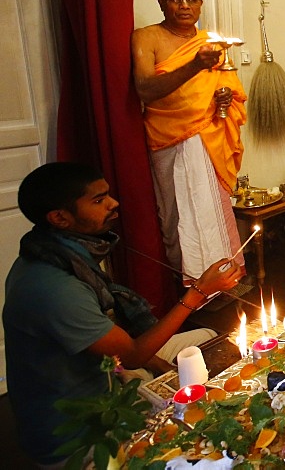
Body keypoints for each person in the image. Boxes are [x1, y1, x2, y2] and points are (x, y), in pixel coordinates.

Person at [3, 162, 240, 468]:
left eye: (108, 195)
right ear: (59, 217)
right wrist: (198, 293)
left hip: (108, 370)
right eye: (99, 200)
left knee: (205, 341)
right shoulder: (55, 288)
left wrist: (162, 368)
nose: (114, 204)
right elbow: (133, 356)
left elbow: (128, 351)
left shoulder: (61, 252)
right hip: (80, 431)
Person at [131, 0, 247, 282]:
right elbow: (144, 89)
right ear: (162, 3)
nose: (185, 6)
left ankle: (225, 278)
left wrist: (224, 97)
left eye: (191, 0)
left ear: (199, 5)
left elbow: (227, 87)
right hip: (170, 137)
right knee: (178, 215)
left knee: (214, 214)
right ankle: (189, 286)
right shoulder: (147, 37)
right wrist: (195, 65)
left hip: (209, 138)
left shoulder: (209, 41)